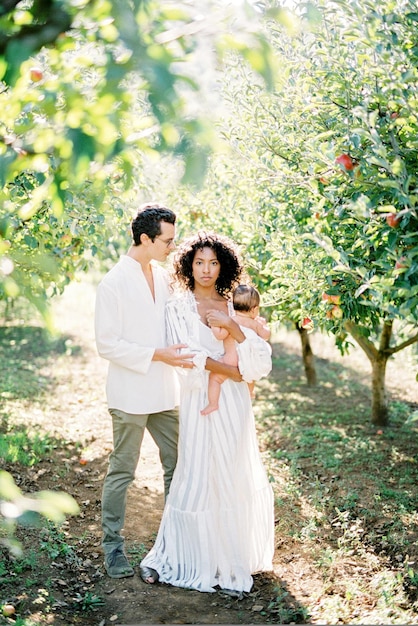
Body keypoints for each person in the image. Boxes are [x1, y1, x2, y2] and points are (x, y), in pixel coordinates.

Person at [140, 231, 274, 597]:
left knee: (230, 473)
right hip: (200, 400)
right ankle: (180, 556)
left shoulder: (234, 306)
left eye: (213, 263)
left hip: (234, 404)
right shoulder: (178, 307)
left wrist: (234, 332)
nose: (206, 269)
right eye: (199, 262)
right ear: (188, 265)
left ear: (223, 266)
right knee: (196, 473)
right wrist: (229, 369)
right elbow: (185, 358)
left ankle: (230, 562)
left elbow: (260, 360)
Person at [94, 203, 195, 579]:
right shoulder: (113, 283)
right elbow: (107, 344)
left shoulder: (164, 276)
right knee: (123, 471)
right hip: (130, 393)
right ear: (145, 238)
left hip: (164, 391)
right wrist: (158, 355)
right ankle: (113, 547)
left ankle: (174, 539)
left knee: (179, 464)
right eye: (167, 240)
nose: (172, 246)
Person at [201, 283, 271, 415]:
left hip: (231, 360)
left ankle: (213, 404)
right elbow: (266, 336)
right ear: (254, 309)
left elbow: (219, 335)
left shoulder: (230, 321)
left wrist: (214, 325)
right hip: (248, 360)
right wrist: (264, 325)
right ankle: (250, 391)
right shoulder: (255, 324)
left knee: (215, 378)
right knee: (250, 376)